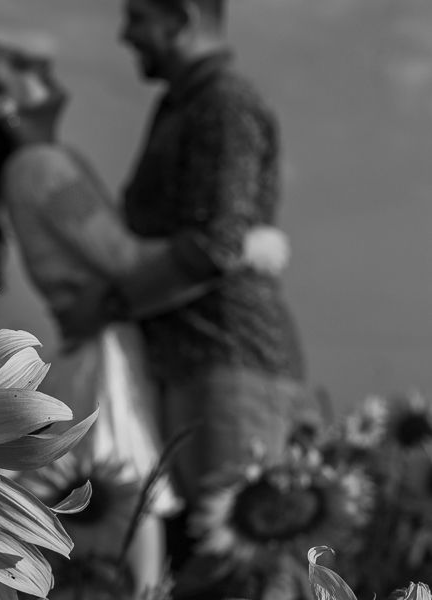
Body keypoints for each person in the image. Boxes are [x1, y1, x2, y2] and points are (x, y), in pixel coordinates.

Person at [0, 37, 289, 596]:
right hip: (104, 358)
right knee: (135, 529)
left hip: (94, 349)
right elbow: (125, 259)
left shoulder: (28, 169)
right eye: (18, 64)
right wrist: (248, 244)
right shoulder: (41, 166)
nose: (43, 59)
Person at [117, 0, 318, 577]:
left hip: (230, 358)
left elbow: (217, 242)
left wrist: (108, 302)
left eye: (137, 18)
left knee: (244, 571)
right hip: (196, 360)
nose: (125, 35)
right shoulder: (180, 104)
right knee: (204, 568)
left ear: (179, 19)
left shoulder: (223, 104)